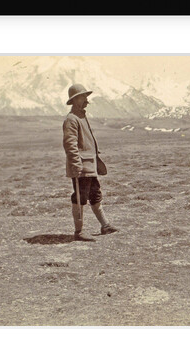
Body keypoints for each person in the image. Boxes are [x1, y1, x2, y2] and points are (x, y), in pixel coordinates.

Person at [62, 83, 118, 241]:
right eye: (83, 97)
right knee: (80, 197)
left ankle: (105, 226)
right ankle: (78, 232)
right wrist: (76, 165)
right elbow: (70, 144)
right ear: (75, 100)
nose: (87, 100)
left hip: (89, 165)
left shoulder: (81, 117)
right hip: (81, 167)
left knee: (95, 194)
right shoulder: (71, 120)